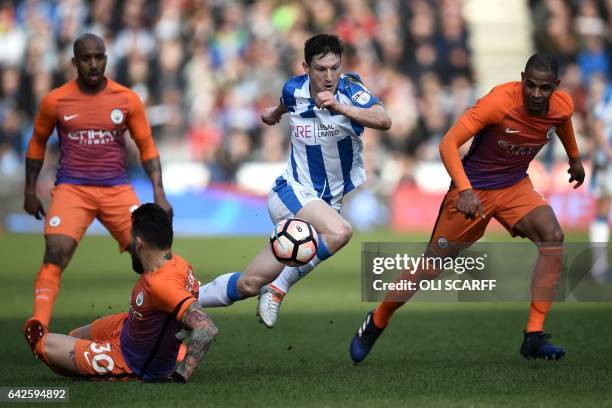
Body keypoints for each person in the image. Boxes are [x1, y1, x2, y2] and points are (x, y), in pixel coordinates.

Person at [350, 54, 585, 363]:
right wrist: (465, 190)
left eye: (544, 88)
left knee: (553, 236)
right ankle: (378, 320)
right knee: (430, 267)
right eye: (530, 86)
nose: (536, 94)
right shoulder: (498, 102)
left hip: (515, 185)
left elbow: (563, 122)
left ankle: (534, 336)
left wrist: (575, 158)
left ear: (555, 87)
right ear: (521, 79)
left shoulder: (563, 105)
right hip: (472, 189)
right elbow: (448, 144)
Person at [197, 34, 391, 327]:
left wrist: (340, 107)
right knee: (340, 233)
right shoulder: (293, 89)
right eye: (320, 69)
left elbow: (383, 119)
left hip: (323, 206)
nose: (329, 76)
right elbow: (284, 104)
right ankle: (277, 290)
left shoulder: (351, 91)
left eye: (334, 68)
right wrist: (273, 113)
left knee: (249, 283)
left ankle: (184, 301)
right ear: (306, 67)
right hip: (291, 192)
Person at [22, 33, 172, 341]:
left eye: (99, 57)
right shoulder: (55, 100)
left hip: (116, 188)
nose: (93, 64)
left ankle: (164, 326)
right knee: (56, 251)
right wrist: (29, 190)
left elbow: (146, 145)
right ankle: (38, 326)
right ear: (74, 62)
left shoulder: (126, 99)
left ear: (106, 59)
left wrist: (159, 192)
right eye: (86, 58)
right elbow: (37, 144)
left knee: (149, 253)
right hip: (72, 189)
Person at [24, 203, 217, 382]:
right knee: (75, 335)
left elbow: (206, 329)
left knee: (44, 343)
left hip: (132, 361)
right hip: (129, 328)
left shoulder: (162, 284)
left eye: (131, 236)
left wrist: (180, 375)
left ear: (139, 242)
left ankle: (102, 371)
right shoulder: (177, 262)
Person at [589, 80, 611, 283]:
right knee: (603, 209)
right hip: (608, 165)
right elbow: (597, 125)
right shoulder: (609, 93)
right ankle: (599, 268)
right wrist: (608, 152)